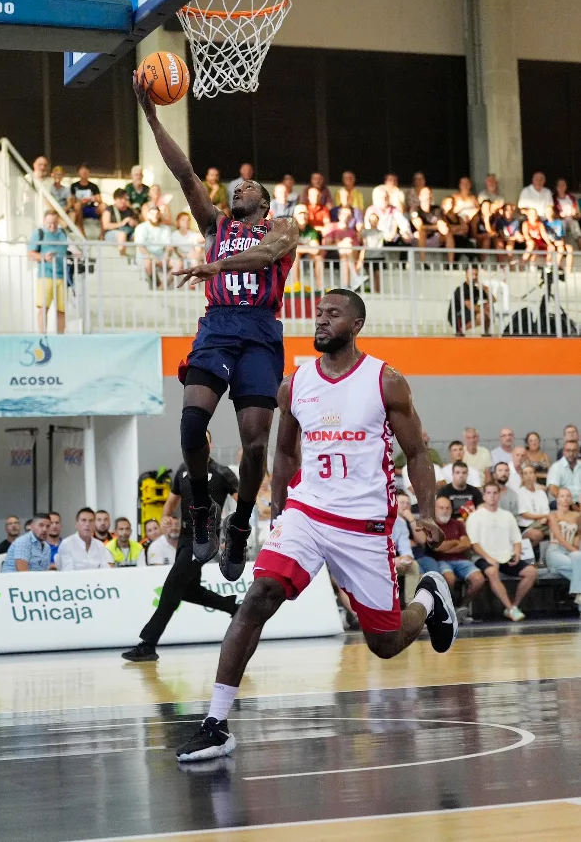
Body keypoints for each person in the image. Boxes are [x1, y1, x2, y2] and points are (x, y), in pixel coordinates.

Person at [176, 289, 456, 762]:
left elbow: (417, 453)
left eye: (333, 314)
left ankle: (429, 598)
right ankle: (216, 723)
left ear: (357, 324)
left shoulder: (385, 381)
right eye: (318, 313)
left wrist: (426, 509)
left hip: (362, 523)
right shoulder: (295, 384)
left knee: (385, 643)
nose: (321, 320)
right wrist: (281, 510)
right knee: (259, 594)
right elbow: (284, 453)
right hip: (307, 512)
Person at [134, 72, 298, 582]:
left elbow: (268, 254)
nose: (236, 188)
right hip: (219, 326)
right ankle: (201, 506)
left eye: (245, 186)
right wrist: (152, 116)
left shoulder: (283, 227)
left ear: (263, 202)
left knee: (253, 445)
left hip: (261, 331)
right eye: (234, 187)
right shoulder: (215, 226)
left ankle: (243, 524)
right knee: (189, 426)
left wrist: (218, 267)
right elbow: (183, 173)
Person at [122, 430, 241, 662]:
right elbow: (169, 505)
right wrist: (165, 520)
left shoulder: (222, 473)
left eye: (204, 441)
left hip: (205, 538)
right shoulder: (182, 470)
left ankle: (147, 644)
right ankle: (233, 607)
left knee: (172, 587)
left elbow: (244, 502)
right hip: (184, 537)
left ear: (211, 444)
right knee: (188, 590)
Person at [467, 482, 537, 621]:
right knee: (492, 571)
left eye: (495, 493)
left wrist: (517, 553)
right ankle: (510, 608)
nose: (492, 496)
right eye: (489, 493)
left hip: (505, 556)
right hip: (483, 557)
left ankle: (514, 606)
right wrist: (489, 558)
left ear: (499, 495)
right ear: (484, 496)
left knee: (531, 572)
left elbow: (517, 539)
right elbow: (474, 544)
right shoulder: (474, 517)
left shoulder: (508, 516)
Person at [433, 496, 485, 622]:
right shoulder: (432, 525)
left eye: (447, 508)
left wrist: (447, 546)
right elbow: (437, 547)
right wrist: (456, 542)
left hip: (461, 560)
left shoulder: (458, 524)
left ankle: (463, 606)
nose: (445, 511)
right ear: (434, 509)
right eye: (441, 508)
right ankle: (452, 608)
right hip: (440, 560)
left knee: (479, 579)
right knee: (449, 579)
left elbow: (466, 544)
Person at [27, 211, 73, 335]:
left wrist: (74, 255)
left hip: (61, 276)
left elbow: (66, 250)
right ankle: (43, 336)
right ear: (44, 221)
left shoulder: (62, 233)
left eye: (54, 223)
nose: (52, 226)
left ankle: (61, 337)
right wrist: (43, 257)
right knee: (43, 308)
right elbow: (30, 253)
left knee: (61, 310)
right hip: (46, 275)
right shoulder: (39, 233)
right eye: (49, 223)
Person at [545, 488, 581, 612]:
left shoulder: (577, 515)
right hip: (555, 550)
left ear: (571, 499)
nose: (565, 499)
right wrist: (574, 550)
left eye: (567, 496)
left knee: (578, 559)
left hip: (572, 553)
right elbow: (559, 538)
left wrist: (577, 538)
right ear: (557, 499)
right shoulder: (552, 514)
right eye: (562, 496)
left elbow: (579, 533)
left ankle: (579, 595)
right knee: (578, 561)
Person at [447, 268, 494, 336]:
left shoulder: (476, 289)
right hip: (458, 315)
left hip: (470, 313)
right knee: (482, 315)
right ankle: (460, 330)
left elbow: (493, 300)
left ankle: (485, 334)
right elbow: (470, 306)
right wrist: (485, 312)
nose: (474, 277)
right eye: (472, 274)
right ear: (466, 275)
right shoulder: (461, 289)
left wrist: (486, 289)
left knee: (488, 305)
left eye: (476, 274)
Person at [517, 465, 550, 554]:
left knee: (557, 527)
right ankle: (525, 556)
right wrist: (544, 517)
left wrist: (545, 518)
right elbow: (525, 515)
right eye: (525, 474)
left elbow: (546, 511)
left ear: (535, 476)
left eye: (531, 473)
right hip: (526, 526)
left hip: (542, 523)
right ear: (522, 476)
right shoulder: (519, 493)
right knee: (539, 534)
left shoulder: (541, 493)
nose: (528, 476)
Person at [101, 188, 139, 256]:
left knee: (139, 235)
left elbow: (138, 225)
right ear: (115, 199)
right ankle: (122, 257)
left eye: (125, 199)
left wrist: (133, 223)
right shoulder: (110, 209)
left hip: (129, 233)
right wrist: (121, 223)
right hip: (113, 234)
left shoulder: (130, 210)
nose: (123, 201)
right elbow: (106, 225)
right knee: (122, 235)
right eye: (121, 199)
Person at [547, 440, 581, 505]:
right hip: (562, 501)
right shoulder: (556, 467)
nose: (571, 453)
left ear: (578, 452)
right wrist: (571, 504)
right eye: (568, 450)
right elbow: (554, 491)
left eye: (574, 450)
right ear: (564, 452)